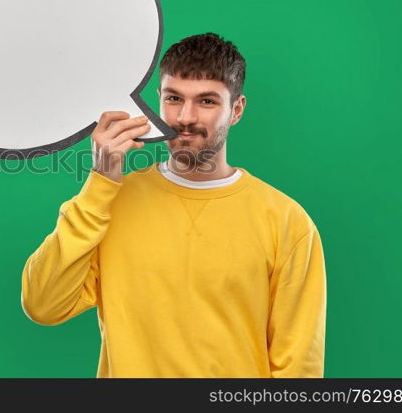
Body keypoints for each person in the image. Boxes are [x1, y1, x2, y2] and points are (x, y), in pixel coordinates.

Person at [20, 32, 327, 378]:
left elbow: (299, 368)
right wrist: (101, 180)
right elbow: (43, 305)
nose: (185, 116)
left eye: (207, 101)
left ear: (236, 109)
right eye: (173, 98)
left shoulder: (287, 222)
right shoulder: (111, 201)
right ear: (158, 100)